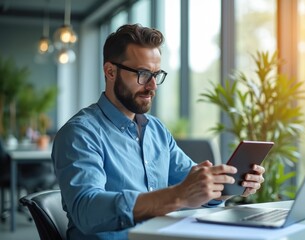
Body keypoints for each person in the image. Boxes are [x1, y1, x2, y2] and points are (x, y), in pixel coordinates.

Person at [52, 23, 265, 239]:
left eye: (156, 74)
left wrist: (230, 184)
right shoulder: (80, 134)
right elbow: (87, 211)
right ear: (110, 71)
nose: (153, 86)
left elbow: (195, 186)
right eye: (143, 74)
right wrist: (177, 196)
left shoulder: (156, 130)